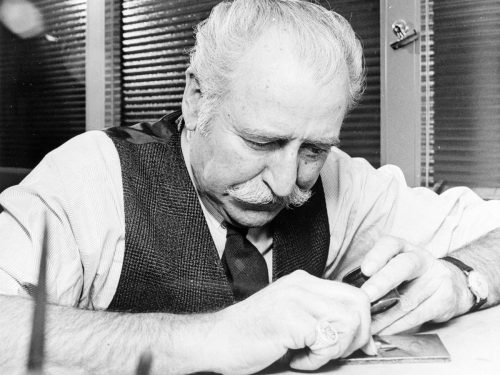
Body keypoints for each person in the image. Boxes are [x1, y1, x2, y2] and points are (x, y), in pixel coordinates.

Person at [1, 0, 499, 374]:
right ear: (196, 99)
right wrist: (207, 337)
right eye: (262, 141)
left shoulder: (340, 181)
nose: (286, 184)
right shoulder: (93, 177)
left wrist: (463, 279)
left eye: (312, 149)